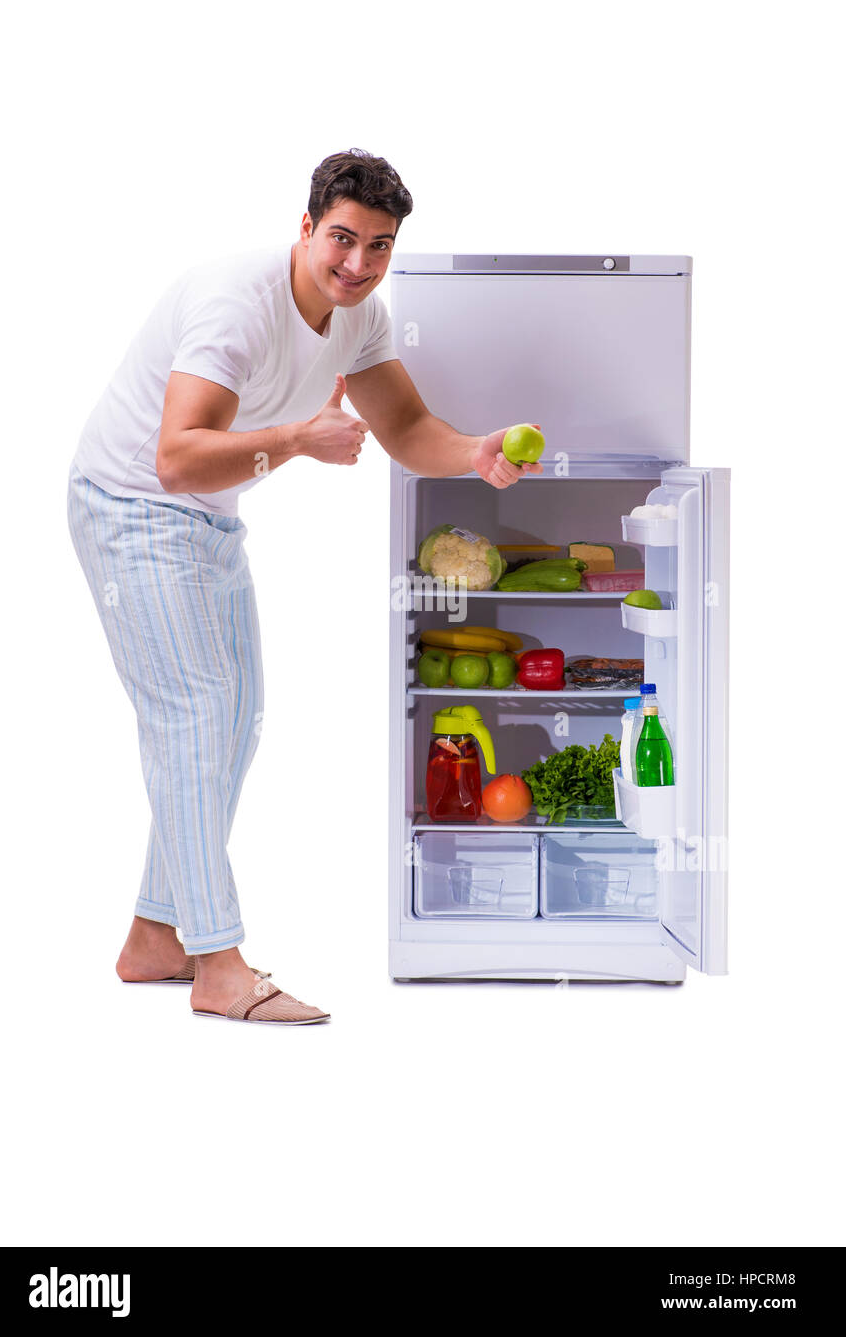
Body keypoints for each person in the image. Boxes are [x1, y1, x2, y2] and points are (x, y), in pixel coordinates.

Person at [67, 147, 543, 1027]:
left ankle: (154, 934)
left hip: (209, 516)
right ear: (304, 227)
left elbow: (404, 424)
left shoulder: (358, 316)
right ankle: (218, 963)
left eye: (378, 246)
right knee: (196, 715)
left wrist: (473, 452)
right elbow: (175, 457)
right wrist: (294, 439)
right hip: (132, 506)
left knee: (235, 719)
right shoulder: (233, 306)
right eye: (341, 239)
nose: (357, 265)